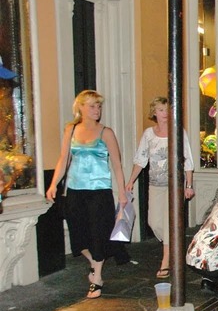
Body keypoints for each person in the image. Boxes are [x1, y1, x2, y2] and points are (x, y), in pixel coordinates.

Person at [45, 90, 127, 299]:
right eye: (92, 106)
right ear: (80, 107)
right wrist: (54, 184)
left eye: (98, 106)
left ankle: (97, 278)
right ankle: (93, 261)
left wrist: (122, 193)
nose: (96, 110)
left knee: (98, 234)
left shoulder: (105, 132)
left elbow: (117, 165)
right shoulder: (71, 130)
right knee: (78, 235)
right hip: (75, 189)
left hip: (99, 190)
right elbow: (63, 159)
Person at [126, 96, 195, 279]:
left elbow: (187, 159)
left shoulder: (178, 132)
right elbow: (140, 159)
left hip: (175, 185)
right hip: (155, 184)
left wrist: (189, 185)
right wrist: (131, 180)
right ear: (154, 112)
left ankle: (166, 261)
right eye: (161, 110)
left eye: (168, 110)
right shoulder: (149, 134)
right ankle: (174, 245)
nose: (165, 114)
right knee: (154, 222)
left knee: (168, 222)